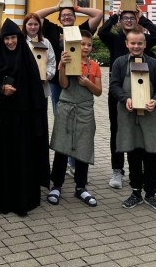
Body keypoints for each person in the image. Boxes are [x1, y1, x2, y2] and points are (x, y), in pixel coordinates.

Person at [0, 19, 49, 216]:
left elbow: (35, 87)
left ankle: (20, 200)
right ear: (2, 39)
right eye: (7, 38)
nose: (10, 42)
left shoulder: (26, 58)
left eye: (13, 38)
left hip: (21, 118)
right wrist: (0, 89)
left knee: (20, 157)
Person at [98, 6, 156, 189]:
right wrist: (114, 17)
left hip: (141, 92)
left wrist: (142, 19)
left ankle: (139, 172)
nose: (128, 20)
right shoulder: (116, 39)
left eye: (131, 18)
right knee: (116, 130)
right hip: (118, 93)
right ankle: (117, 169)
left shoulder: (141, 40)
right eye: (124, 18)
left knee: (139, 130)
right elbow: (102, 32)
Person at [109, 26, 156, 212]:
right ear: (127, 44)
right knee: (133, 153)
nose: (136, 46)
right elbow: (114, 86)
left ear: (145, 44)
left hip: (150, 116)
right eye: (132, 43)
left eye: (139, 43)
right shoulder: (119, 63)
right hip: (128, 115)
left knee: (151, 154)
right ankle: (135, 192)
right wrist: (124, 98)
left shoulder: (154, 64)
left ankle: (150, 193)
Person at [48, 31, 102, 207]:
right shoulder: (68, 61)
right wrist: (62, 66)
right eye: (83, 44)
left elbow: (98, 91)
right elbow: (63, 84)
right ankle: (56, 185)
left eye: (89, 44)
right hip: (66, 106)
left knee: (83, 147)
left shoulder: (94, 66)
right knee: (62, 146)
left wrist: (87, 83)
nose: (86, 47)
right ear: (77, 45)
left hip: (85, 109)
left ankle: (81, 187)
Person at [35, 1, 103, 113]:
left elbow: (98, 14)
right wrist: (56, 8)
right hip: (57, 79)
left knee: (77, 113)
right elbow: (36, 16)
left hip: (78, 79)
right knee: (59, 112)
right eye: (63, 15)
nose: (67, 17)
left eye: (70, 15)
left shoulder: (80, 30)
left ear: (75, 17)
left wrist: (77, 8)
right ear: (60, 19)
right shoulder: (53, 29)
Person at [22, 12, 56, 98]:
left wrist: (47, 75)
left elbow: (51, 63)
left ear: (39, 26)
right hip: (24, 87)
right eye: (30, 24)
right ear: (25, 25)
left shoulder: (46, 42)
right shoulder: (20, 42)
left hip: (42, 88)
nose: (33, 27)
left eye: (36, 24)